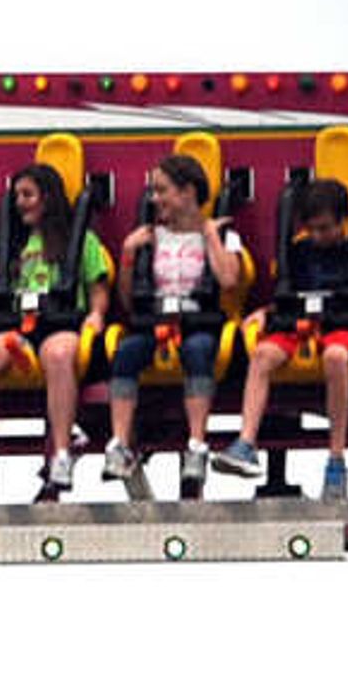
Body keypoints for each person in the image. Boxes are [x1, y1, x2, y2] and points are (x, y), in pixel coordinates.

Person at [210, 175, 348, 496]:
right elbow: (285, 296)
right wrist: (266, 313)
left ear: (343, 221)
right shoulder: (300, 252)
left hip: (342, 327)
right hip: (298, 326)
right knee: (262, 355)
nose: (318, 236)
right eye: (312, 229)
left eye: (325, 228)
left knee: (335, 357)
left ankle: (335, 458)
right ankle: (246, 442)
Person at [0, 163, 111, 501]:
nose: (20, 203)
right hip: (18, 329)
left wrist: (97, 315)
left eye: (28, 195)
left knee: (58, 354)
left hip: (62, 324)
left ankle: (62, 454)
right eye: (17, 197)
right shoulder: (7, 247)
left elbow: (98, 286)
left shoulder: (80, 242)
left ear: (48, 198)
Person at [102, 153, 248, 498]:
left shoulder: (223, 233)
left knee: (198, 351)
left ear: (187, 192)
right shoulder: (148, 237)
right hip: (154, 324)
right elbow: (127, 300)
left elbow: (229, 279)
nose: (155, 199)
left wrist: (209, 235)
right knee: (126, 352)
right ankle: (120, 444)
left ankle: (196, 443)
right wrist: (126, 253)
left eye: (162, 190)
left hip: (200, 323)